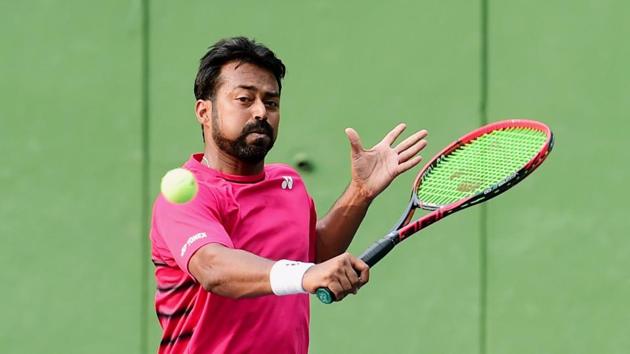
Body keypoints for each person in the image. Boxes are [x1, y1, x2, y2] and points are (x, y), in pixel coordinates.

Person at [150, 36, 428, 354]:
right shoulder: (187, 196)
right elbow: (214, 268)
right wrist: (306, 274)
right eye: (244, 99)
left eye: (271, 102)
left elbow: (311, 256)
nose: (261, 112)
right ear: (203, 111)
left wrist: (359, 193)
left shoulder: (288, 182)